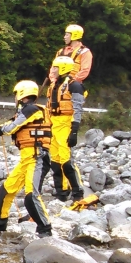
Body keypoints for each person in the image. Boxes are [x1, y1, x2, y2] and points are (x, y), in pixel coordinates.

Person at [0, 80, 53, 237]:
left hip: (37, 158)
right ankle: (0, 222)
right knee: (7, 189)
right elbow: (7, 124)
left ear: (22, 94)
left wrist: (0, 130)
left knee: (31, 197)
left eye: (16, 95)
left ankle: (45, 229)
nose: (15, 98)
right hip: (27, 158)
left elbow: (10, 128)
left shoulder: (32, 109)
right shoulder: (25, 112)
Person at [45, 55, 85, 201]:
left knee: (67, 161)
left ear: (62, 68)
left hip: (66, 125)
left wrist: (74, 131)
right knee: (55, 161)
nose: (52, 70)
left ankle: (77, 193)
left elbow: (78, 108)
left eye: (55, 67)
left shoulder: (74, 85)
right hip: (55, 125)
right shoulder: (54, 86)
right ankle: (61, 192)